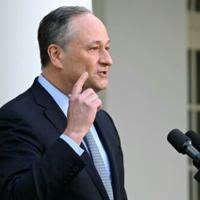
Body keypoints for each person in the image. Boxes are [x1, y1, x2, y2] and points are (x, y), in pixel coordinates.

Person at [0, 6, 127, 200]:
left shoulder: (103, 120)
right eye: (94, 48)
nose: (108, 60)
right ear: (56, 55)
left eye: (107, 48)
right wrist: (73, 135)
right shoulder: (16, 117)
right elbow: (16, 195)